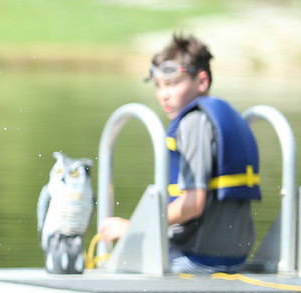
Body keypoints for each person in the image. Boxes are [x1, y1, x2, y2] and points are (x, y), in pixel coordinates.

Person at [99, 33, 260, 274]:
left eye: (172, 84)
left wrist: (133, 227)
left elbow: (193, 204)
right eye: (158, 85)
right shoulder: (222, 114)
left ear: (202, 81)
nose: (163, 94)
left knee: (116, 265)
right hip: (232, 257)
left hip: (196, 259)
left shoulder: (193, 123)